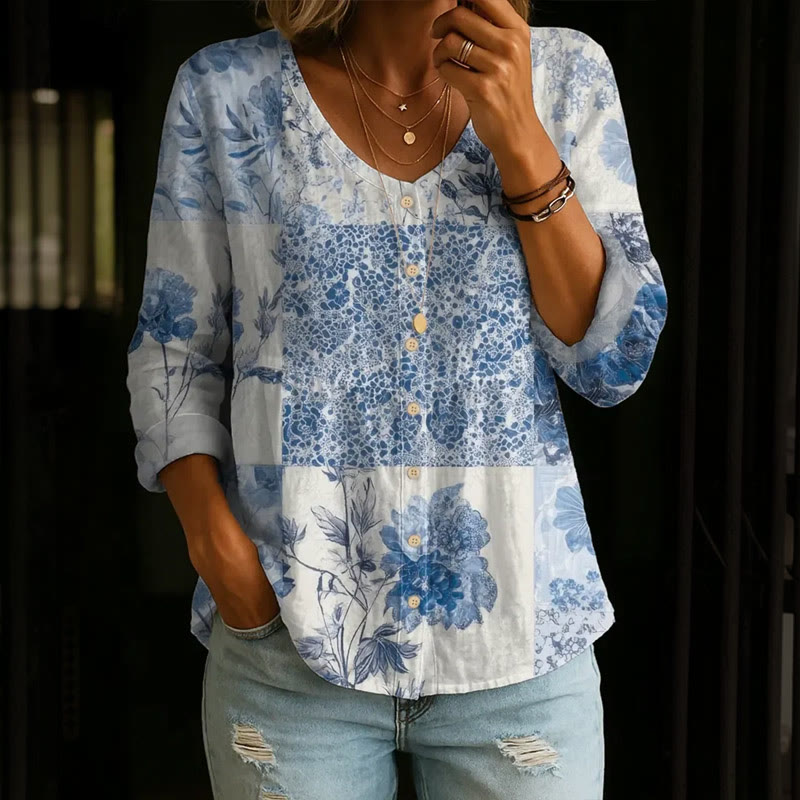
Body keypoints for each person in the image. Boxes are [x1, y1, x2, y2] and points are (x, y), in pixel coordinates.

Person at [125, 0, 668, 797]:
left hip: (520, 649)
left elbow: (613, 362)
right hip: (290, 645)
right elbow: (175, 349)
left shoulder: (566, 76)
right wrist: (221, 555)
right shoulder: (225, 91)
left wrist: (519, 133)